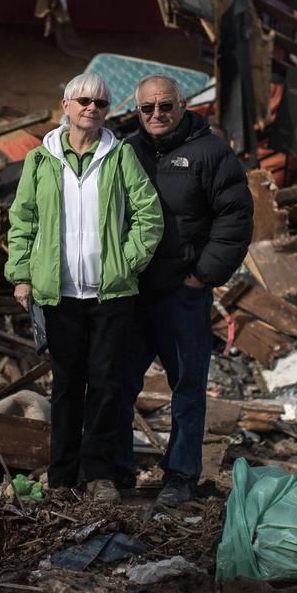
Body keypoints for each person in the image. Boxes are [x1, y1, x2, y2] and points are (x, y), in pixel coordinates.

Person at [5, 72, 164, 503]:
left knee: (106, 384)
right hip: (59, 294)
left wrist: (126, 262)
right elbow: (23, 220)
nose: (91, 108)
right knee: (67, 386)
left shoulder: (120, 156)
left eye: (100, 103)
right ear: (66, 106)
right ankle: (62, 477)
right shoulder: (41, 160)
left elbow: (149, 216)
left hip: (109, 294)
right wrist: (21, 274)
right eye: (83, 101)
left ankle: (98, 475)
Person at [117, 74, 252, 506]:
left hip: (183, 295)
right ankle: (119, 472)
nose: (157, 114)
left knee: (187, 390)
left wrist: (201, 275)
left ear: (182, 105)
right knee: (118, 384)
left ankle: (180, 477)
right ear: (137, 111)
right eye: (147, 108)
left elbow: (235, 218)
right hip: (133, 293)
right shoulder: (127, 152)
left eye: (165, 106)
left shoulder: (210, 151)